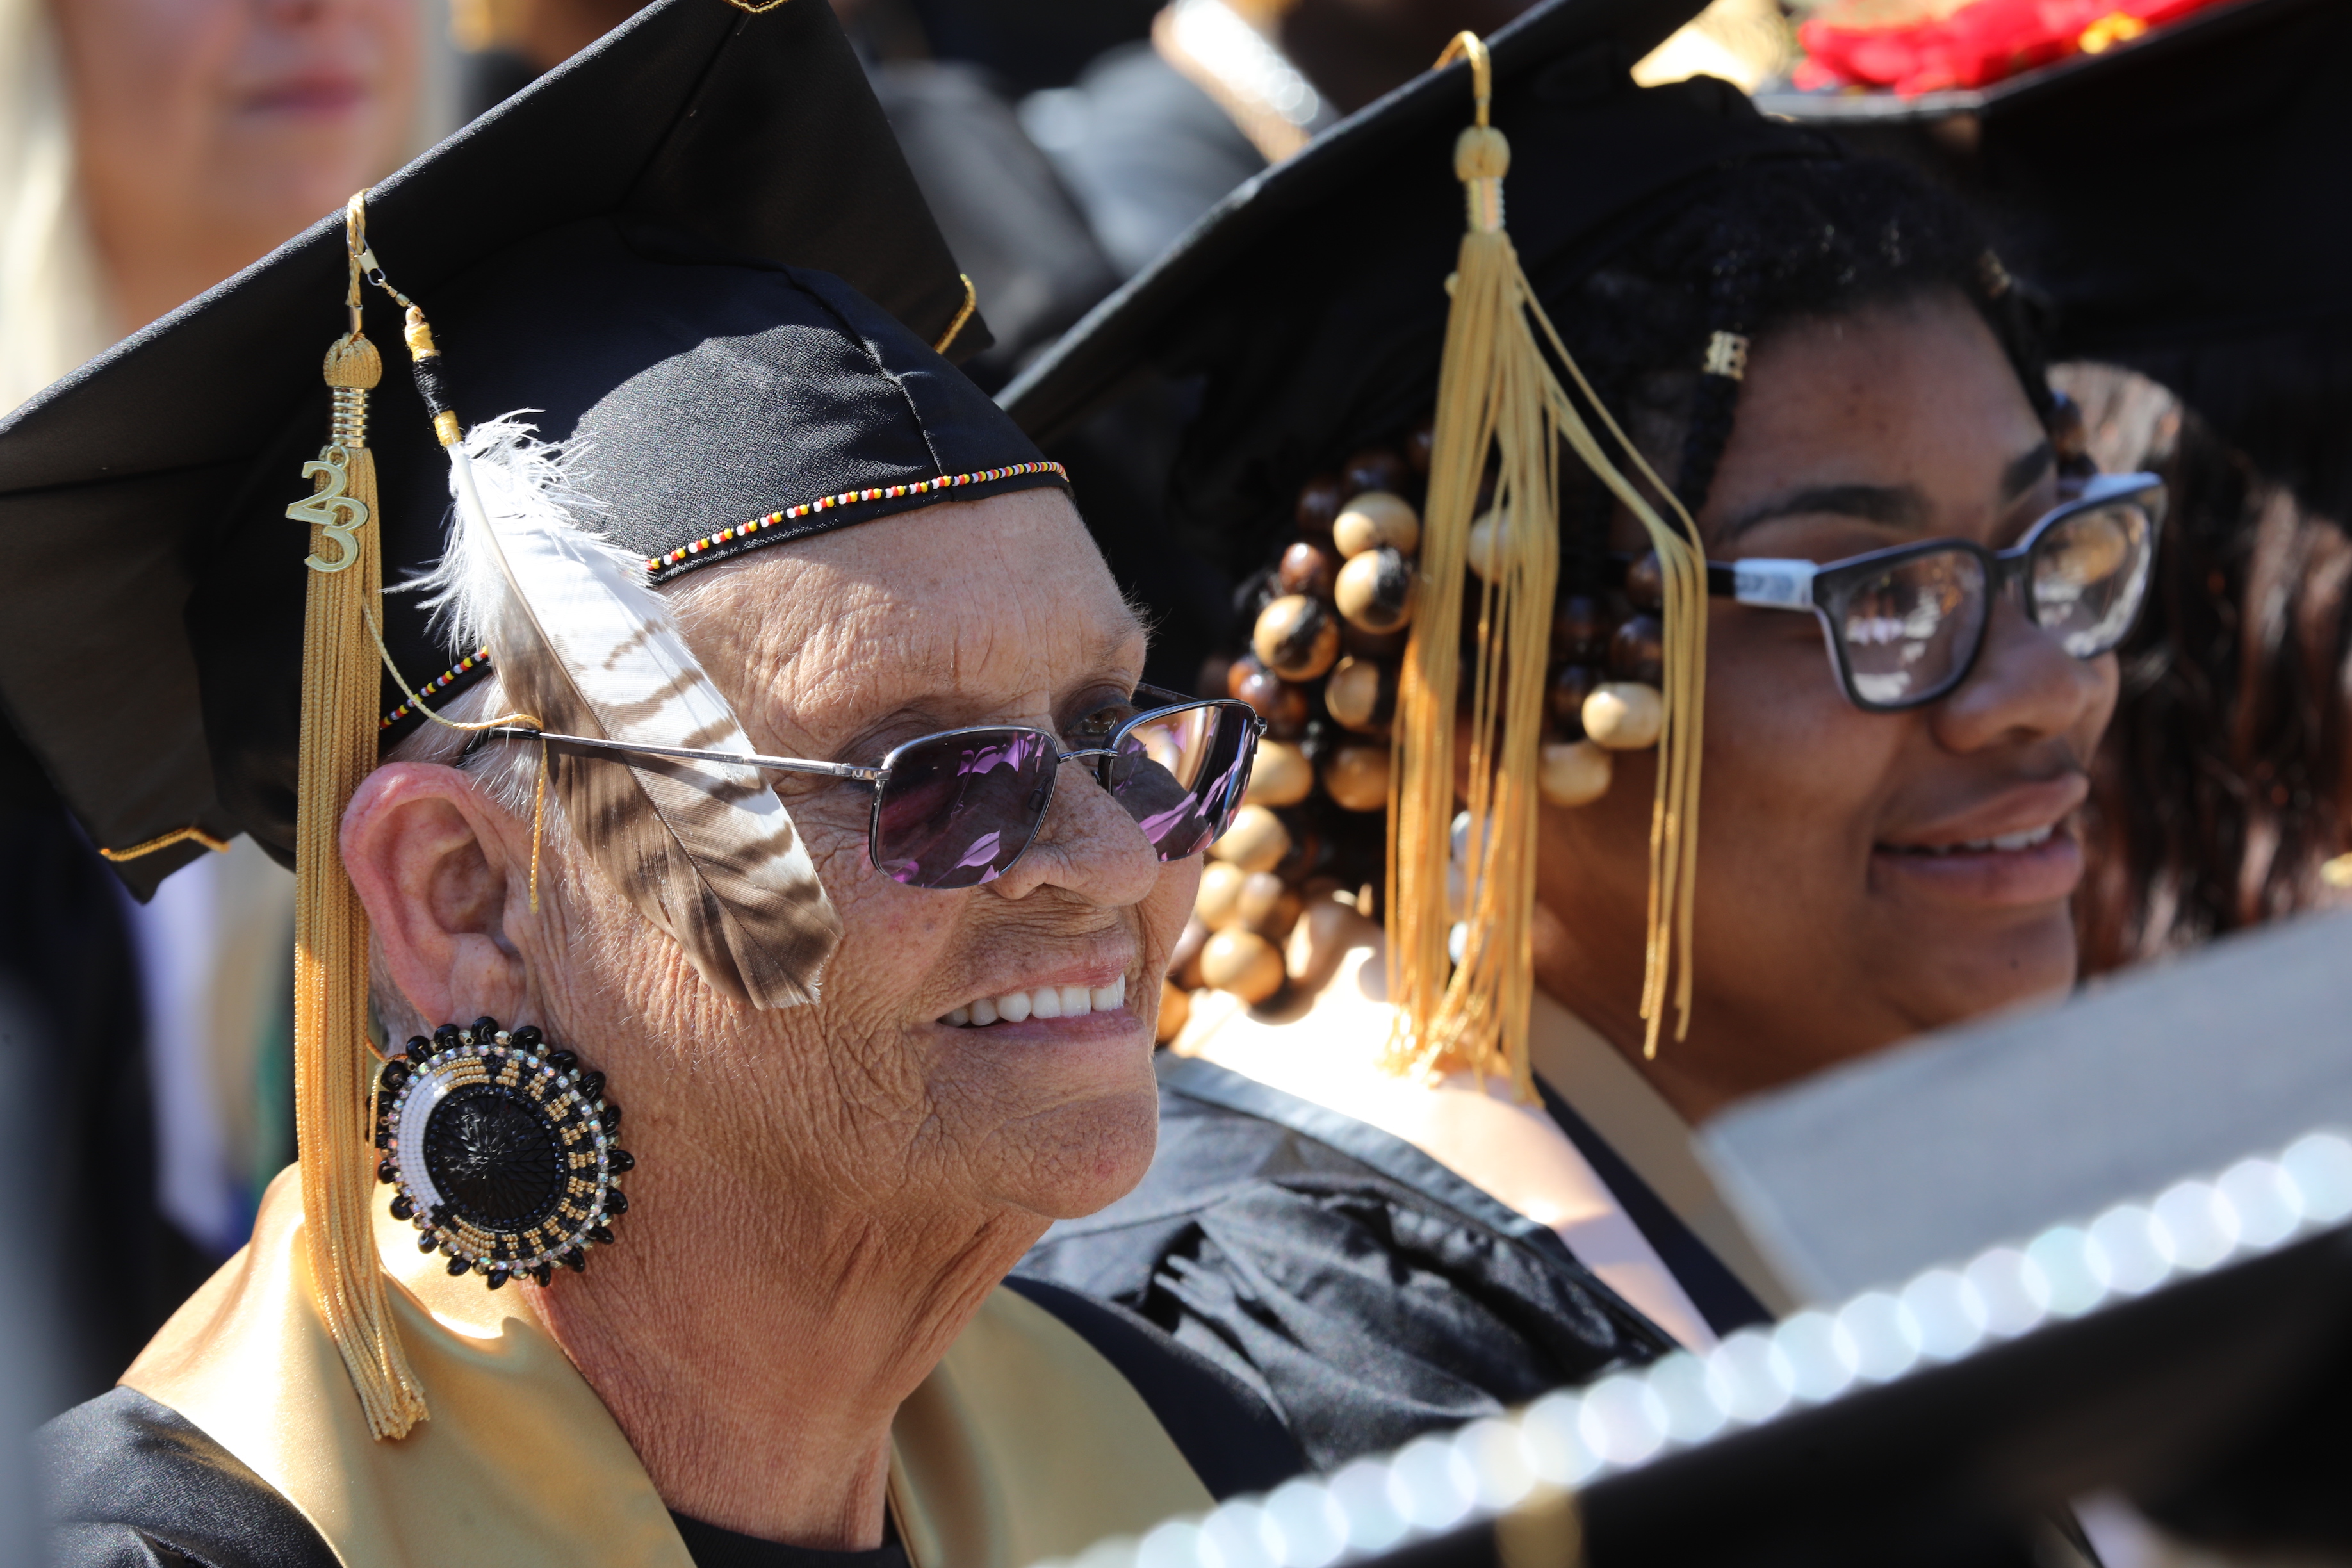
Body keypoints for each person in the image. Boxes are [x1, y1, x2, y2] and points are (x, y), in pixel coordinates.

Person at [11, 4, 1300, 1562]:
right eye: (938, 779)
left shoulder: (1194, 1457)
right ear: (466, 894)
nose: (1108, 856)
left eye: (1112, 731)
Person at [1005, 0, 2156, 1473]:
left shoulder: (1832, 1138)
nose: (2046, 687)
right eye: (1876, 597)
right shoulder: (1315, 1356)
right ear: (1472, 680)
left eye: (2049, 547)